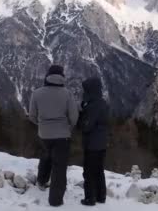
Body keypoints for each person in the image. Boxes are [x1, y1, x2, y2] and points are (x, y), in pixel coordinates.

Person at [29, 65, 79, 207]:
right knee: (59, 166)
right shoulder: (67, 93)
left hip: (44, 134)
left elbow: (32, 116)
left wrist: (42, 124)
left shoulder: (36, 93)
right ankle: (55, 200)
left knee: (45, 156)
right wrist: (68, 127)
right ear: (62, 77)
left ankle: (41, 181)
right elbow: (74, 117)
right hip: (62, 135)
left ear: (47, 76)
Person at [79, 77, 109, 206]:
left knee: (89, 172)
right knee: (99, 170)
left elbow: (86, 126)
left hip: (92, 144)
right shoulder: (101, 102)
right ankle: (101, 196)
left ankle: (90, 198)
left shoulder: (93, 106)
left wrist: (81, 117)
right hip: (102, 142)